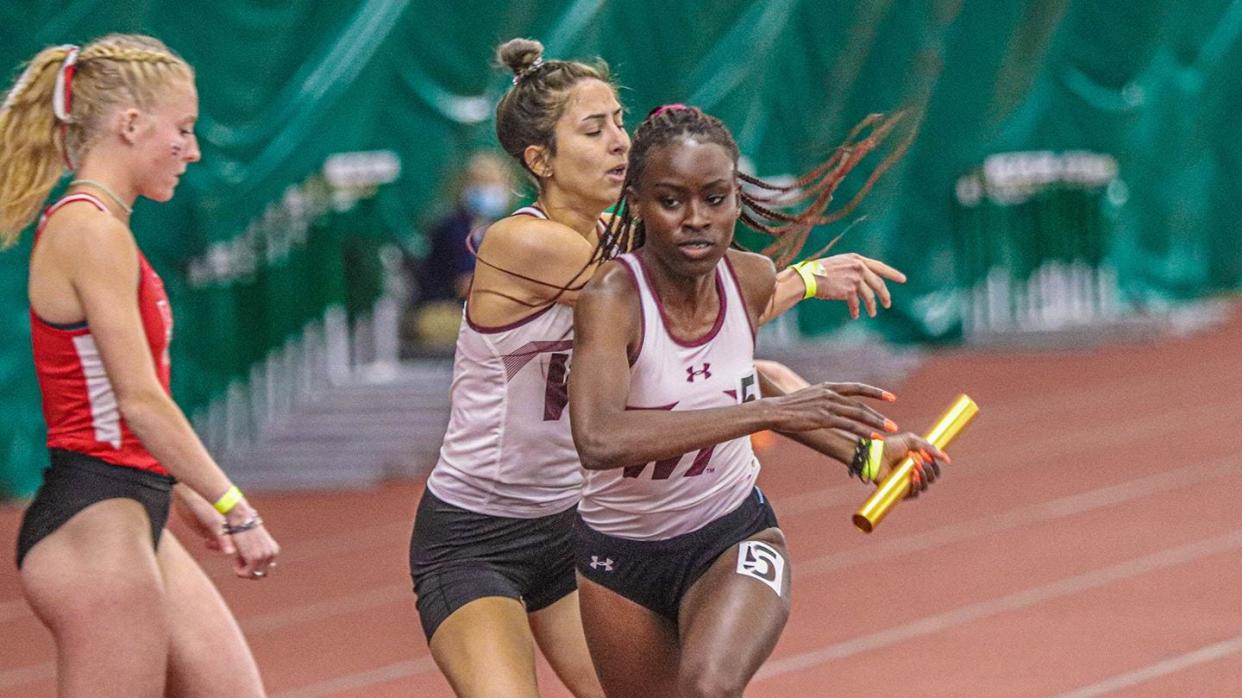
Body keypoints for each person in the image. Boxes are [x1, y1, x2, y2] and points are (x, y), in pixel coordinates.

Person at [408, 38, 906, 698]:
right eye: (595, 129)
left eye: (620, 121)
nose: (620, 142)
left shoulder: (621, 234)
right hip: (476, 540)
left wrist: (854, 448)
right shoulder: (525, 242)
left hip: (574, 531)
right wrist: (806, 280)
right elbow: (671, 297)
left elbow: (683, 356)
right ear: (540, 160)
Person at [567, 104, 949, 696]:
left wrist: (868, 456)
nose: (696, 219)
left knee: (709, 687)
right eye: (671, 201)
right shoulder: (612, 300)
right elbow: (597, 439)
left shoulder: (749, 280)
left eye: (714, 199)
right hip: (619, 559)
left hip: (729, 535)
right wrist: (767, 413)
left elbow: (752, 378)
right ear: (637, 204)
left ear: (736, 201)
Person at [0, 34, 279, 696]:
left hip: (132, 508)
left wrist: (184, 491)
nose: (194, 150)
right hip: (93, 521)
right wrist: (235, 505)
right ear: (129, 125)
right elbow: (140, 401)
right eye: (181, 129)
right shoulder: (88, 230)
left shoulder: (104, 230)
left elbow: (123, 397)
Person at [408, 151, 515, 349]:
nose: (489, 190)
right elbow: (466, 285)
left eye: (494, 183)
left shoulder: (504, 227)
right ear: (464, 187)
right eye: (481, 183)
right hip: (443, 311)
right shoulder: (452, 228)